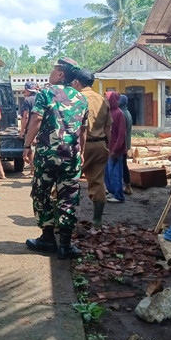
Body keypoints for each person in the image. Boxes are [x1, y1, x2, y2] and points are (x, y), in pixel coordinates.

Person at [23, 58, 88, 259]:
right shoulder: (81, 98)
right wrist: (82, 152)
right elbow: (83, 130)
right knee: (68, 198)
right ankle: (65, 246)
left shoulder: (45, 93)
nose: (50, 73)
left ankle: (48, 239)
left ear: (61, 74)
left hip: (47, 156)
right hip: (71, 156)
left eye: (54, 70)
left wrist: (26, 145)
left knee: (41, 194)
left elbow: (36, 119)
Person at [72, 70, 112, 228]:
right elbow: (108, 126)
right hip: (100, 144)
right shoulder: (102, 99)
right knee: (98, 181)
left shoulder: (77, 98)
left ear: (77, 82)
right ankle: (97, 221)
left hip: (81, 146)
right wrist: (107, 146)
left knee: (68, 179)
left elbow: (75, 127)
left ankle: (60, 219)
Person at [104, 91, 126, 203]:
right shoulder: (109, 112)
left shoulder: (119, 113)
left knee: (116, 173)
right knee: (108, 173)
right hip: (109, 148)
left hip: (115, 150)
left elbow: (121, 134)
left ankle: (119, 196)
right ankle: (112, 192)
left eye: (106, 99)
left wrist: (116, 150)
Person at [19, 81, 39, 175]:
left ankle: (33, 171)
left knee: (30, 150)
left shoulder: (27, 100)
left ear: (27, 90)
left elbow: (25, 117)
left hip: (31, 128)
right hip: (42, 128)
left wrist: (22, 130)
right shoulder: (41, 98)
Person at [120, 94, 133, 196]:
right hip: (124, 144)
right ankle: (127, 186)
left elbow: (121, 132)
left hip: (121, 144)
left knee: (120, 166)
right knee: (123, 165)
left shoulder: (122, 114)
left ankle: (123, 187)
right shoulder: (126, 112)